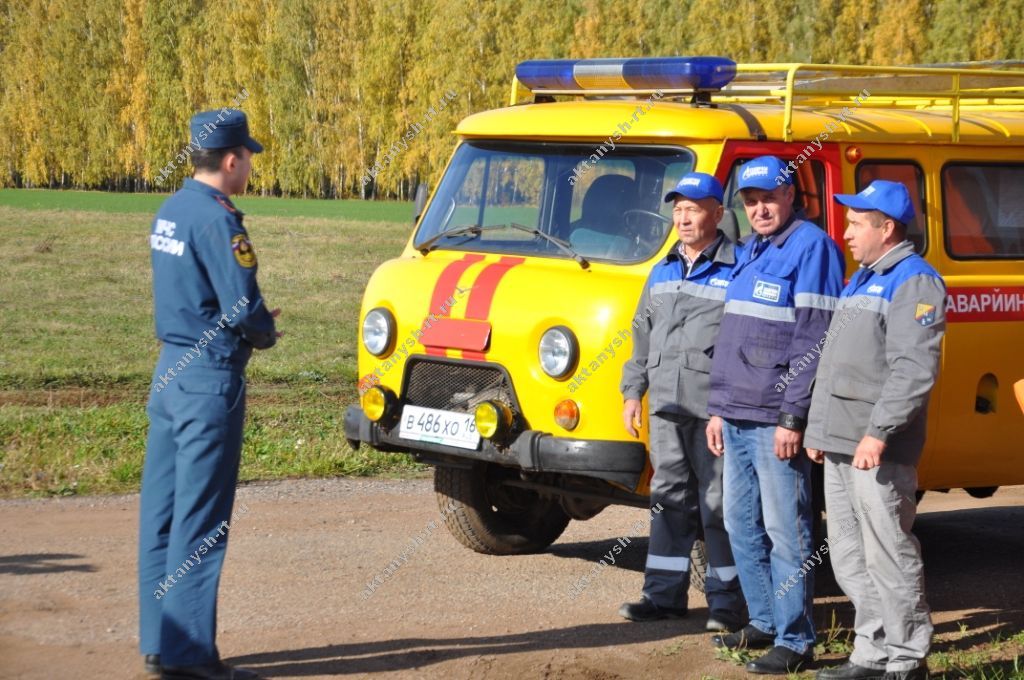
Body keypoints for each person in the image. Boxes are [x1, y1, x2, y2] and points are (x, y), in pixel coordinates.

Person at [138, 109, 279, 680]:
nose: (248, 166)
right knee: (201, 522)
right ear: (229, 160)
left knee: (163, 516)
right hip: (206, 379)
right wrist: (267, 333)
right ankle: (190, 657)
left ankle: (159, 643)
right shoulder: (220, 221)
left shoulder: (171, 210)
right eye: (246, 156)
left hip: (169, 372)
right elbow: (244, 306)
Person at [705, 156, 845, 675]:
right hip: (736, 414)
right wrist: (717, 409)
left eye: (768, 197)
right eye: (749, 199)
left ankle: (795, 639)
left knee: (787, 531)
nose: (759, 208)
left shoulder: (813, 249)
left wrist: (793, 415)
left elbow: (816, 337)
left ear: (791, 196)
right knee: (740, 524)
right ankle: (763, 621)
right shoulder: (751, 251)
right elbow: (732, 339)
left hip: (774, 419)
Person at [807, 180, 944, 680]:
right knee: (847, 555)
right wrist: (818, 429)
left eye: (855, 223)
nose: (845, 232)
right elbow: (837, 363)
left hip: (876, 447)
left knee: (888, 552)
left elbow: (914, 370)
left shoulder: (914, 281)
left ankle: (908, 660)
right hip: (841, 440)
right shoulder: (862, 278)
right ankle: (872, 651)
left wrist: (879, 432)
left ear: (886, 229)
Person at [618, 172, 745, 631]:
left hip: (714, 410)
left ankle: (728, 603)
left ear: (717, 213)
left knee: (718, 503)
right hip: (665, 406)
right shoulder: (663, 268)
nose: (683, 218)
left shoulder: (738, 267)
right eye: (677, 210)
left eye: (692, 209)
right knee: (667, 499)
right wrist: (633, 393)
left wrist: (728, 406)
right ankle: (663, 596)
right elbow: (641, 335)